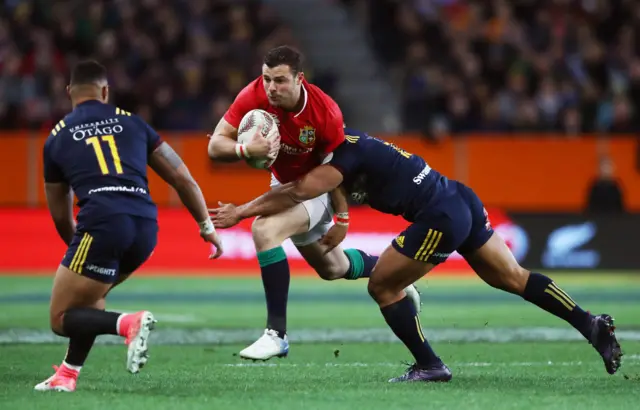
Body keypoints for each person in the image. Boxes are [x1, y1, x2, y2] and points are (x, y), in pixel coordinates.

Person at [211, 128, 623, 382]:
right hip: (458, 195)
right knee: (513, 277)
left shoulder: (340, 156)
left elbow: (297, 191)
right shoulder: (346, 149)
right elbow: (334, 181)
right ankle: (590, 324)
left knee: (383, 286)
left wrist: (241, 211)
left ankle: (429, 365)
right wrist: (342, 216)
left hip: (439, 215)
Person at [207, 46, 420, 360]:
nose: (271, 88)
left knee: (264, 230)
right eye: (267, 79)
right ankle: (394, 275)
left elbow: (336, 171)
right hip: (284, 184)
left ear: (299, 79)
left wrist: (343, 219)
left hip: (320, 184)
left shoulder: (325, 112)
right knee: (332, 268)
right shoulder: (254, 96)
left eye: (280, 81)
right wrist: (245, 151)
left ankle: (276, 335)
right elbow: (215, 146)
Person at [37, 60, 223, 392]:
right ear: (105, 91)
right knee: (91, 298)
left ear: (69, 93)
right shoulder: (134, 123)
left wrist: (76, 247)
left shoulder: (58, 137)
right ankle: (67, 374)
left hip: (103, 224)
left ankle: (128, 323)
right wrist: (206, 225)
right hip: (145, 228)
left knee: (61, 317)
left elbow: (61, 213)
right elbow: (182, 178)